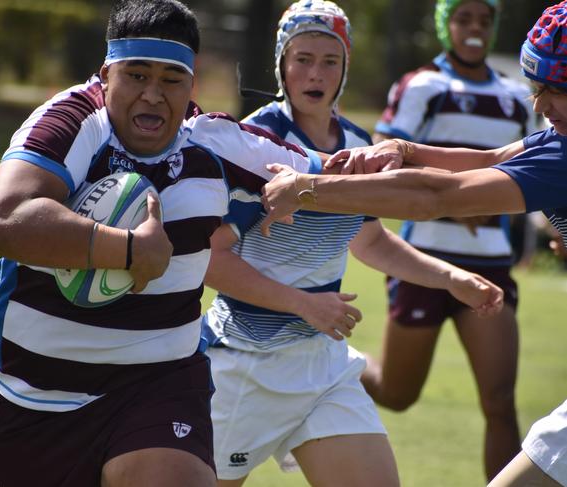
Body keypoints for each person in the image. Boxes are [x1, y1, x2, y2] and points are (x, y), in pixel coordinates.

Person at [0, 1, 336, 486]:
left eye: (171, 79)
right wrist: (126, 250)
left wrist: (433, 163)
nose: (152, 94)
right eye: (137, 75)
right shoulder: (73, 123)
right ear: (107, 76)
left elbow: (344, 175)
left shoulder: (210, 142)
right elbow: (4, 220)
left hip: (158, 382)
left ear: (192, 84)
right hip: (36, 397)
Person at [260, 3, 567, 485]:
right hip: (246, 352)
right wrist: (404, 149)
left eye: (555, 91)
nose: (540, 106)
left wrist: (306, 188)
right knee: (400, 391)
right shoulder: (553, 138)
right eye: (536, 89)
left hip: (477, 266)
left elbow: (434, 195)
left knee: (500, 403)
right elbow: (490, 159)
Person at [202, 2, 503, 486]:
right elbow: (208, 259)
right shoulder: (253, 141)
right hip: (245, 364)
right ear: (281, 63)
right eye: (302, 58)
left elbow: (370, 240)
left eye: (329, 60)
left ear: (345, 68)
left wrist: (450, 277)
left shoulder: (358, 146)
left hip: (323, 368)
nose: (314, 73)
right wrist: (303, 304)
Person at [367, 0, 540, 479]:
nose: (475, 29)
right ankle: (335, 365)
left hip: (489, 265)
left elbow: (534, 170)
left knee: (500, 402)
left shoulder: (517, 95)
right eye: (463, 18)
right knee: (396, 394)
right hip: (422, 261)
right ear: (446, 25)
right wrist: (454, 197)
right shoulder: (423, 85)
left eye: (484, 20)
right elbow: (381, 159)